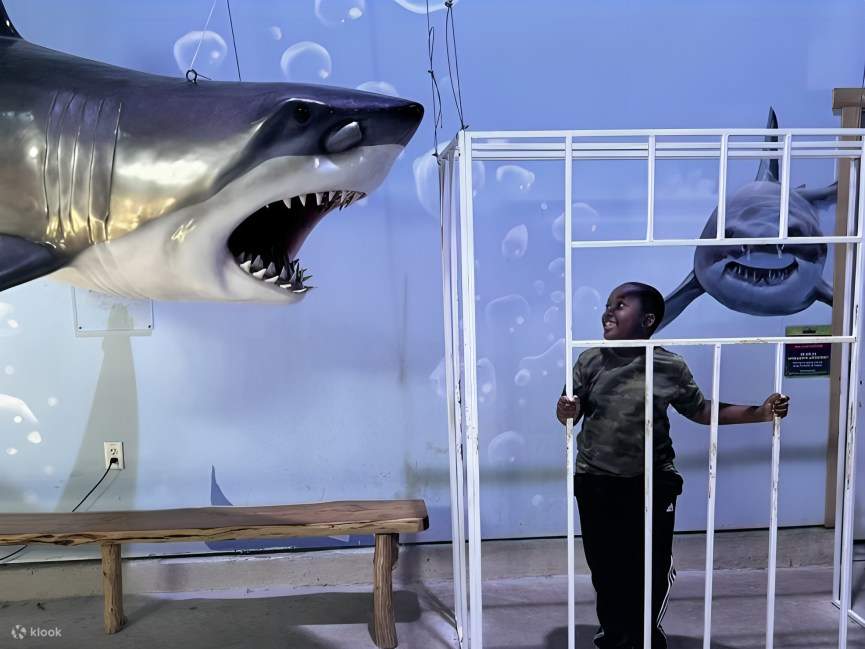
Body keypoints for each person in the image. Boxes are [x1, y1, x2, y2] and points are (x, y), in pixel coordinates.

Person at [555, 282, 789, 649]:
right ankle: (614, 632)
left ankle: (645, 635)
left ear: (647, 320)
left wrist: (759, 412)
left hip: (653, 481)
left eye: (620, 305)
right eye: (608, 304)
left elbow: (700, 410)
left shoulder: (668, 365)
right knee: (605, 565)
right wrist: (566, 410)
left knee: (650, 563)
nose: (608, 311)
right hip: (596, 480)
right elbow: (569, 412)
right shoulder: (590, 360)